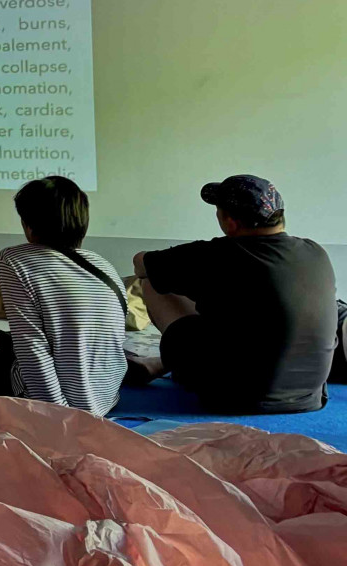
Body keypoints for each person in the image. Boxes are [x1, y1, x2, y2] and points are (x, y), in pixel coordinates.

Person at [133, 176, 339, 414]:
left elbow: (141, 263)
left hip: (231, 397)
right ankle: (162, 364)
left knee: (151, 280)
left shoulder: (217, 254)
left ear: (230, 222)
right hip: (308, 398)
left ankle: (173, 364)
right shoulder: (316, 252)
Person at [0, 177, 129, 416]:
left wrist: (61, 417)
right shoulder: (104, 265)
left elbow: (32, 350)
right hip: (107, 397)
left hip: (62, 406)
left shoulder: (14, 260)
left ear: (29, 224)